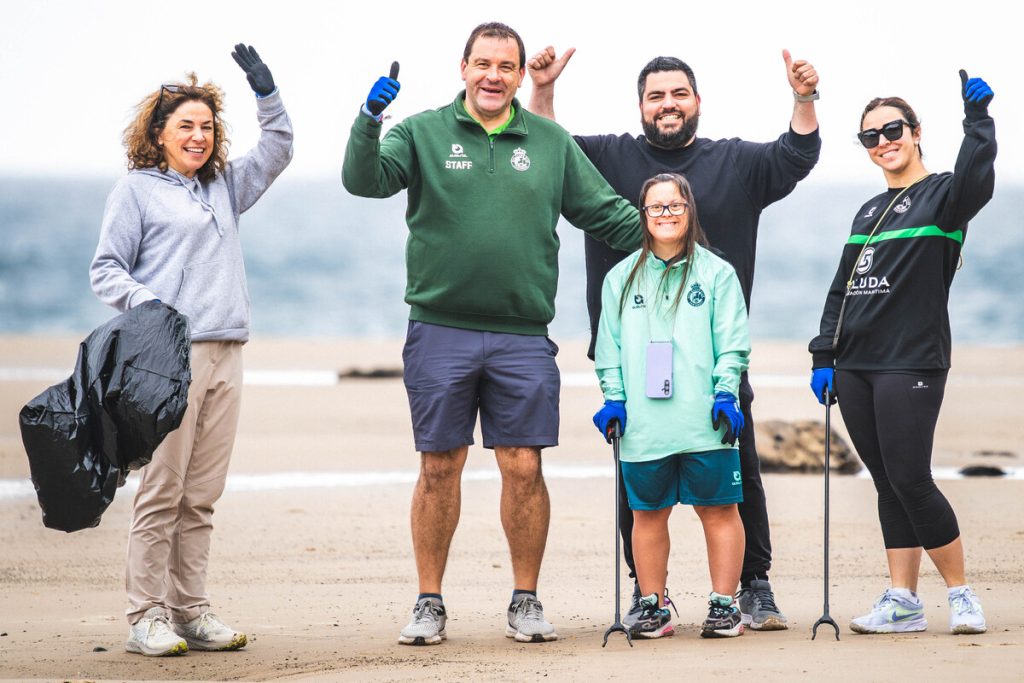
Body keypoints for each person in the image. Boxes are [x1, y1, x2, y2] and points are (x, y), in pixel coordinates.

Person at [341, 22, 642, 646]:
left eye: (506, 67)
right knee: (438, 466)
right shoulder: (421, 132)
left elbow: (607, 214)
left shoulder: (552, 142)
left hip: (523, 335)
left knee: (524, 465)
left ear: (518, 73)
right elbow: (363, 180)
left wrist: (677, 242)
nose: (493, 76)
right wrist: (369, 118)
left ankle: (525, 601)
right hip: (440, 329)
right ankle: (429, 602)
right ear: (463, 67)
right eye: (483, 64)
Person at [527, 48, 820, 631]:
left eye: (678, 93)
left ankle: (751, 585)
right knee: (638, 482)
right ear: (640, 105)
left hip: (713, 357)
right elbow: (545, 151)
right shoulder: (607, 155)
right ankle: (647, 593)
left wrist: (804, 99)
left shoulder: (734, 162)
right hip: (633, 358)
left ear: (697, 101)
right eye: (656, 95)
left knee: (737, 477)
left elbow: (796, 155)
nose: (668, 104)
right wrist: (541, 91)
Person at [90, 44, 293, 656]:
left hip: (228, 351)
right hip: (167, 360)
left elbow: (279, 151)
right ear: (158, 133)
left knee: (201, 494)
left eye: (207, 127)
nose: (199, 136)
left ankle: (191, 611)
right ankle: (144, 615)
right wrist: (153, 309)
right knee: (162, 490)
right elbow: (106, 269)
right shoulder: (136, 191)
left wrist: (268, 94)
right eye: (186, 126)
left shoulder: (224, 185)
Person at [808, 71, 995, 636]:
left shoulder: (946, 195)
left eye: (892, 129)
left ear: (915, 133)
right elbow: (842, 288)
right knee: (886, 483)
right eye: (870, 136)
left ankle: (961, 595)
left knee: (912, 478)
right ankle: (903, 601)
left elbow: (979, 180)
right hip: (855, 365)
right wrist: (823, 355)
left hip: (910, 361)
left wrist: (979, 123)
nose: (883, 140)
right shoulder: (866, 213)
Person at [593, 173, 750, 639]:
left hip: (705, 421)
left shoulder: (717, 273)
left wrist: (726, 392)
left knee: (719, 510)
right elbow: (609, 348)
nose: (666, 214)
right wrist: (613, 399)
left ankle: (725, 605)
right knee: (647, 514)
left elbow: (733, 344)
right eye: (656, 207)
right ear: (643, 215)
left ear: (689, 210)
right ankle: (653, 605)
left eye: (674, 206)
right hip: (644, 425)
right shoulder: (620, 278)